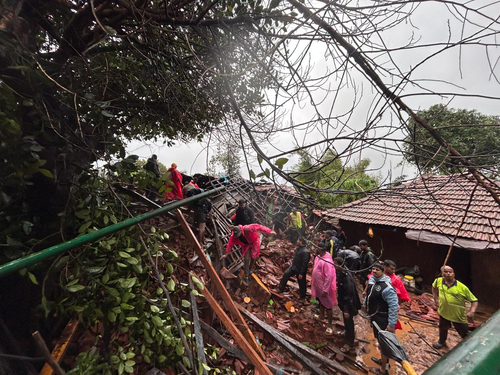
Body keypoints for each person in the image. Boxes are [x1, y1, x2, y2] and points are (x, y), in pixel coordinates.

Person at [432, 265, 478, 349]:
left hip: (457, 315)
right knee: (442, 328)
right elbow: (434, 287)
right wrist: (435, 297)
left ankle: (470, 347)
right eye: (446, 272)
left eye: (450, 272)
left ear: (454, 274)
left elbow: (474, 301)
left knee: (464, 333)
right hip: (443, 312)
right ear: (442, 274)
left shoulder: (462, 287)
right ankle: (441, 341)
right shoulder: (438, 281)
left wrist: (472, 312)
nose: (448, 273)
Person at [365, 262, 399, 375]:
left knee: (384, 344)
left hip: (382, 319)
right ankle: (384, 362)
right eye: (373, 269)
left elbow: (394, 307)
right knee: (380, 342)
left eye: (377, 270)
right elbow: (368, 296)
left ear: (382, 271)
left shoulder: (387, 288)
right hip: (375, 316)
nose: (374, 271)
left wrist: (391, 324)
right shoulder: (372, 281)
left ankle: (383, 370)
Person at [334, 257, 361, 352]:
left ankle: (350, 343)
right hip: (345, 302)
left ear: (338, 264)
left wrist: (346, 309)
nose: (334, 265)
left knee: (349, 322)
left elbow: (348, 295)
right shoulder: (343, 271)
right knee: (347, 322)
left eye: (335, 263)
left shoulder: (346, 278)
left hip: (349, 305)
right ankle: (347, 333)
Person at [311, 242, 337, 333]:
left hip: (324, 288)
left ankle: (330, 325)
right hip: (318, 286)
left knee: (328, 306)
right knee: (321, 302)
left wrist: (325, 289)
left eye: (317, 247)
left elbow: (329, 276)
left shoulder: (327, 261)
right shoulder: (319, 256)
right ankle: (321, 316)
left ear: (320, 249)